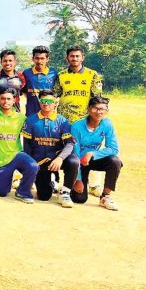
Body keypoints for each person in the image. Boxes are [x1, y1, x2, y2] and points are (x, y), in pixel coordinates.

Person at [53, 45, 104, 196]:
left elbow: (97, 99)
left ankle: (94, 184)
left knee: (90, 149)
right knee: (67, 151)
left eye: (77, 56)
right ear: (67, 58)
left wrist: (95, 119)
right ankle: (65, 182)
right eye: (72, 56)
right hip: (65, 122)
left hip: (85, 121)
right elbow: (54, 95)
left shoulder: (92, 75)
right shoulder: (61, 75)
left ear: (82, 57)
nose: (74, 58)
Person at [0, 89, 39, 203]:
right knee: (2, 192)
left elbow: (34, 131)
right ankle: (4, 179)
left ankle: (23, 192)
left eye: (8, 99)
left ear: (14, 100)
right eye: (3, 98)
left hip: (15, 155)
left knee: (33, 166)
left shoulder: (21, 118)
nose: (5, 101)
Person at [21, 90, 78, 207]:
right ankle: (52, 182)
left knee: (73, 161)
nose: (46, 103)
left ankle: (65, 193)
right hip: (40, 162)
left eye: (49, 101)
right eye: (43, 100)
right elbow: (27, 145)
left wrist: (60, 158)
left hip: (56, 160)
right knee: (44, 196)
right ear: (39, 101)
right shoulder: (31, 120)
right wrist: (32, 166)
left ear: (55, 103)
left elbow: (69, 144)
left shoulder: (62, 121)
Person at [70, 96, 121, 211]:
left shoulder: (107, 124)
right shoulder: (77, 126)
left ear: (107, 111)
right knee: (79, 198)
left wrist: (92, 154)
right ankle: (70, 185)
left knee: (115, 161)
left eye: (102, 109)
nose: (99, 112)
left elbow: (113, 148)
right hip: (79, 162)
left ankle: (105, 196)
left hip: (92, 159)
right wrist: (78, 179)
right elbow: (75, 153)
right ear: (89, 109)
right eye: (95, 108)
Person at [0, 49, 26, 113]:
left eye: (10, 60)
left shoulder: (21, 77)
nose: (7, 63)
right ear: (1, 62)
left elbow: (26, 95)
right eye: (5, 61)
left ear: (15, 62)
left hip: (15, 114)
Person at [22, 45, 58, 117]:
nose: (39, 61)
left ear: (47, 59)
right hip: (31, 113)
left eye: (42, 58)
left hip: (49, 114)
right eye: (37, 58)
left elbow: (57, 92)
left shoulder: (54, 73)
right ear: (33, 59)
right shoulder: (26, 73)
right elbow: (24, 91)